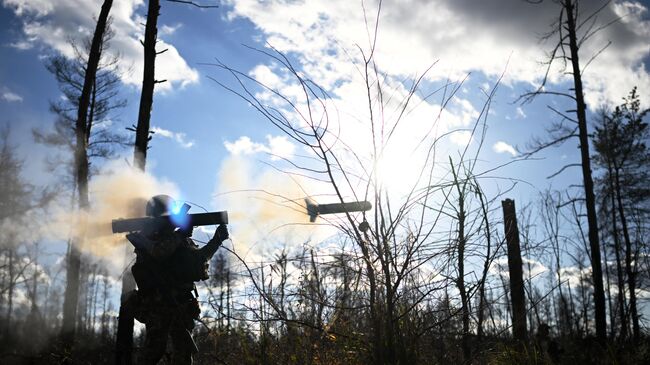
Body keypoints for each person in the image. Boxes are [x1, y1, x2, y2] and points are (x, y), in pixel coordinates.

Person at [125, 195, 229, 365]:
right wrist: (180, 234)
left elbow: (198, 261)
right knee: (153, 351)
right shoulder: (146, 238)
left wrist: (216, 240)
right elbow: (159, 253)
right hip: (158, 305)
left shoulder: (179, 238)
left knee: (183, 353)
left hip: (181, 304)